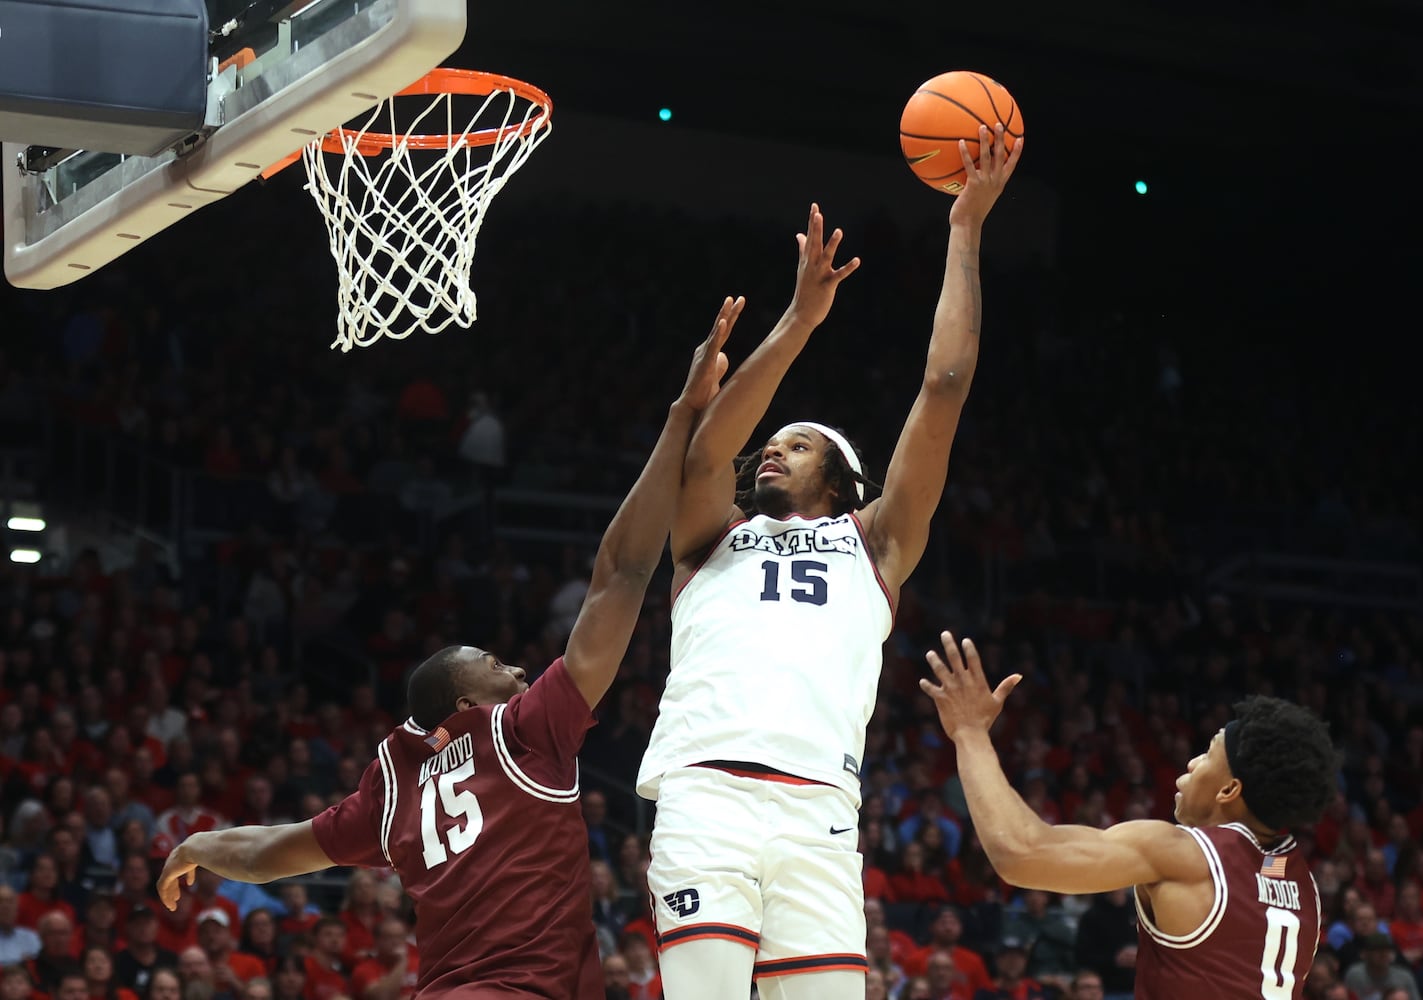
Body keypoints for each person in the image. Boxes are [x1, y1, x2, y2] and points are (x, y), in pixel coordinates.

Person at [155, 303, 742, 1000]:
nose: (520, 670)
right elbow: (620, 571)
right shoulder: (523, 729)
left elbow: (268, 852)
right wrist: (681, 415)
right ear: (467, 702)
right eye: (497, 665)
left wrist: (195, 847)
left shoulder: (391, 789)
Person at [639, 126, 1023, 1000]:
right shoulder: (709, 539)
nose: (770, 451)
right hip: (708, 799)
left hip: (820, 813)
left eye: (796, 442)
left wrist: (963, 232)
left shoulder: (875, 543)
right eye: (769, 443)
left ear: (843, 477)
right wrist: (799, 321)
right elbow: (702, 454)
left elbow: (945, 386)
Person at [921, 632, 1339, 1000]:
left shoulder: (1183, 855)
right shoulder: (1306, 890)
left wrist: (970, 733)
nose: (1192, 764)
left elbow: (1021, 853)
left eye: (1207, 755)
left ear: (1230, 790)